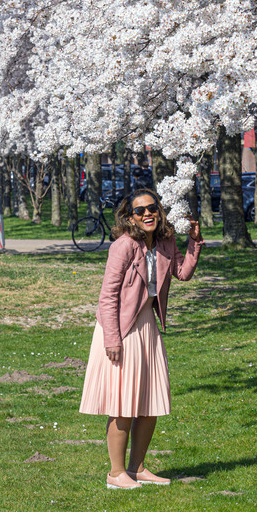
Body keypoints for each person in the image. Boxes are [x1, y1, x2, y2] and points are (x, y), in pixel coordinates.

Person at [78, 189, 203, 489]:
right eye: (139, 210)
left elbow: (182, 273)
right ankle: (116, 473)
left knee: (150, 400)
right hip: (120, 328)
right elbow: (107, 297)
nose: (147, 214)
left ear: (159, 212)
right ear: (129, 216)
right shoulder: (123, 246)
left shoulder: (164, 241)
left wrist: (195, 241)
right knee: (122, 401)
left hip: (147, 325)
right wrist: (112, 339)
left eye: (152, 208)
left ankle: (138, 468)